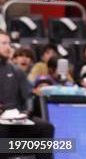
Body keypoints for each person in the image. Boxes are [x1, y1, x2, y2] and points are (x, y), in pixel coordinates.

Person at [0, 31, 55, 159]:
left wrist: (26, 113)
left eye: (9, 43)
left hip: (15, 120)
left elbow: (28, 98)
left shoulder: (16, 71)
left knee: (46, 127)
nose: (8, 47)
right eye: (3, 43)